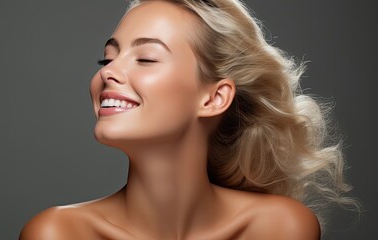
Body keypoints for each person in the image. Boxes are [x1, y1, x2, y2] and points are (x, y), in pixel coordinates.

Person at [20, 0, 358, 239]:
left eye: (146, 58)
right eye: (105, 59)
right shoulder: (57, 233)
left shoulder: (279, 228)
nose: (109, 72)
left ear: (213, 98)